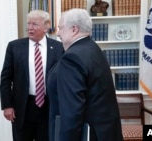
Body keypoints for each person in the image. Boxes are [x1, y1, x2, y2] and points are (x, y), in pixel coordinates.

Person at [47, 8, 123, 141]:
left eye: (61, 28)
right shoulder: (93, 48)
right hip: (104, 133)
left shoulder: (72, 58)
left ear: (74, 29)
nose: (58, 33)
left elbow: (71, 112)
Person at [0, 10, 64, 141]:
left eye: (34, 24)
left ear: (46, 27)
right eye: (28, 24)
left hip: (49, 106)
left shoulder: (58, 48)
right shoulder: (14, 47)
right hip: (23, 107)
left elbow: (63, 79)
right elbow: (6, 78)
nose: (29, 27)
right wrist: (7, 105)